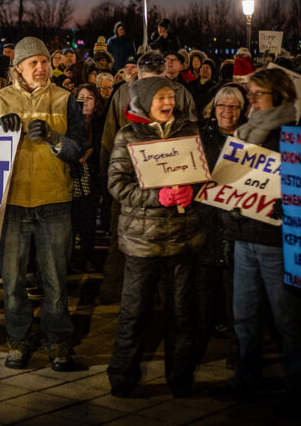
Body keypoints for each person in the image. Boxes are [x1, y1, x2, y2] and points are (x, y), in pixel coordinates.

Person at [0, 37, 86, 371]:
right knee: (12, 282)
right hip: (12, 203)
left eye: (44, 62)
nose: (41, 68)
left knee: (55, 280)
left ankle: (58, 341)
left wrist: (54, 138)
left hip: (54, 200)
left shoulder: (65, 99)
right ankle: (19, 339)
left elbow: (78, 150)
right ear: (19, 68)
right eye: (33, 63)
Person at [106, 76, 204, 398]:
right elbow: (117, 184)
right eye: (161, 97)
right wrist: (155, 197)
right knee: (134, 312)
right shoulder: (128, 134)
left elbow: (204, 177)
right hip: (142, 241)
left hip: (182, 238)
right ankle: (123, 377)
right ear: (147, 101)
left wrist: (193, 192)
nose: (168, 103)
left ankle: (180, 378)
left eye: (170, 97)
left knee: (181, 313)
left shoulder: (188, 131)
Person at [221, 68, 301, 412]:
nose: (252, 100)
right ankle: (245, 379)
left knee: (286, 320)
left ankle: (296, 387)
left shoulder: (292, 136)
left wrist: (288, 202)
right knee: (244, 316)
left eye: (258, 94)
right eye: (251, 94)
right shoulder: (244, 133)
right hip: (244, 237)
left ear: (279, 96)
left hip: (276, 241)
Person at [97, 51, 198, 304]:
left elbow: (190, 136)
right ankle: (118, 289)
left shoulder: (179, 93)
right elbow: (110, 135)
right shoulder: (123, 93)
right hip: (134, 181)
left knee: (158, 243)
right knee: (125, 241)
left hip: (164, 181)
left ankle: (149, 294)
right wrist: (109, 175)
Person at [196, 85, 246, 368]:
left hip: (238, 227)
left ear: (242, 110)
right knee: (202, 295)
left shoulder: (250, 139)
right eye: (222, 106)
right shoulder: (201, 137)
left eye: (234, 106)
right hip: (206, 225)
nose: (227, 111)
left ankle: (238, 350)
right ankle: (197, 348)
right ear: (213, 110)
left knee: (236, 295)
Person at [70, 85, 106, 272]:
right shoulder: (69, 122)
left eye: (89, 98)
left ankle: (87, 257)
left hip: (92, 175)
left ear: (96, 102)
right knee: (72, 219)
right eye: (81, 97)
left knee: (88, 220)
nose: (84, 101)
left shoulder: (101, 123)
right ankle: (70, 259)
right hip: (72, 175)